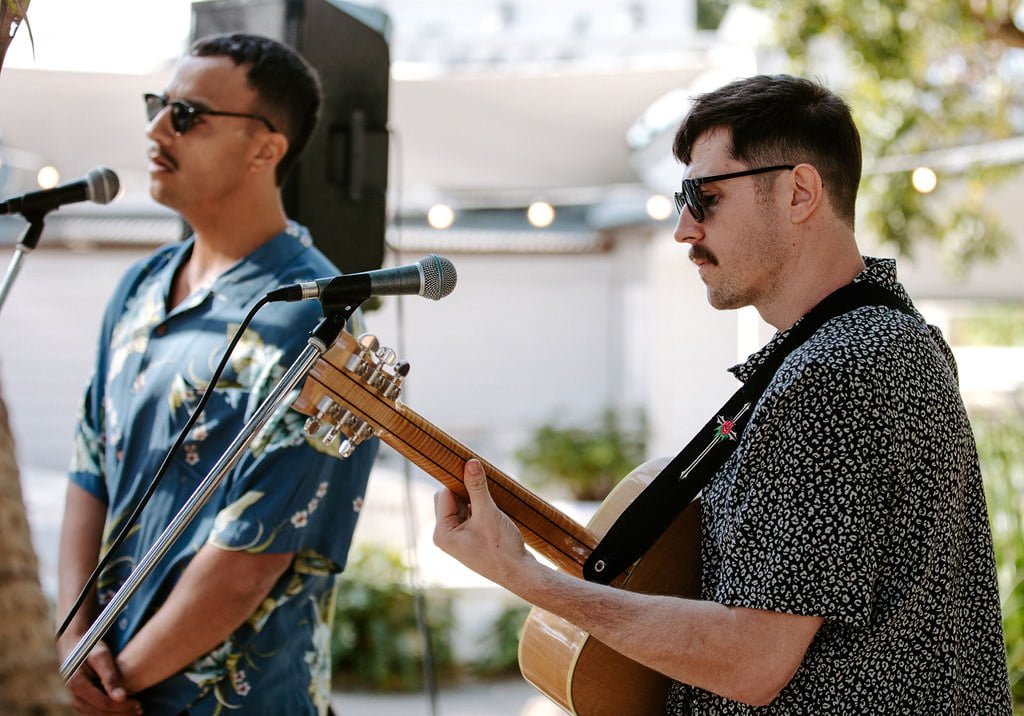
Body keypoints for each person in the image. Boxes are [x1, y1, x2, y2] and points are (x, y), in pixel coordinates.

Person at [433, 74, 1011, 713]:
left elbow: (751, 660)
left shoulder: (844, 367)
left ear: (798, 192)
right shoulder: (865, 346)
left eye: (703, 196)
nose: (684, 228)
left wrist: (525, 577)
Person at [56, 33, 378, 715]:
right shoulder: (140, 286)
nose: (155, 128)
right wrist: (72, 647)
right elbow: (89, 473)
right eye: (158, 105)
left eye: (188, 114)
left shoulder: (318, 320)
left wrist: (113, 689)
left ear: (267, 147)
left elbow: (252, 557)